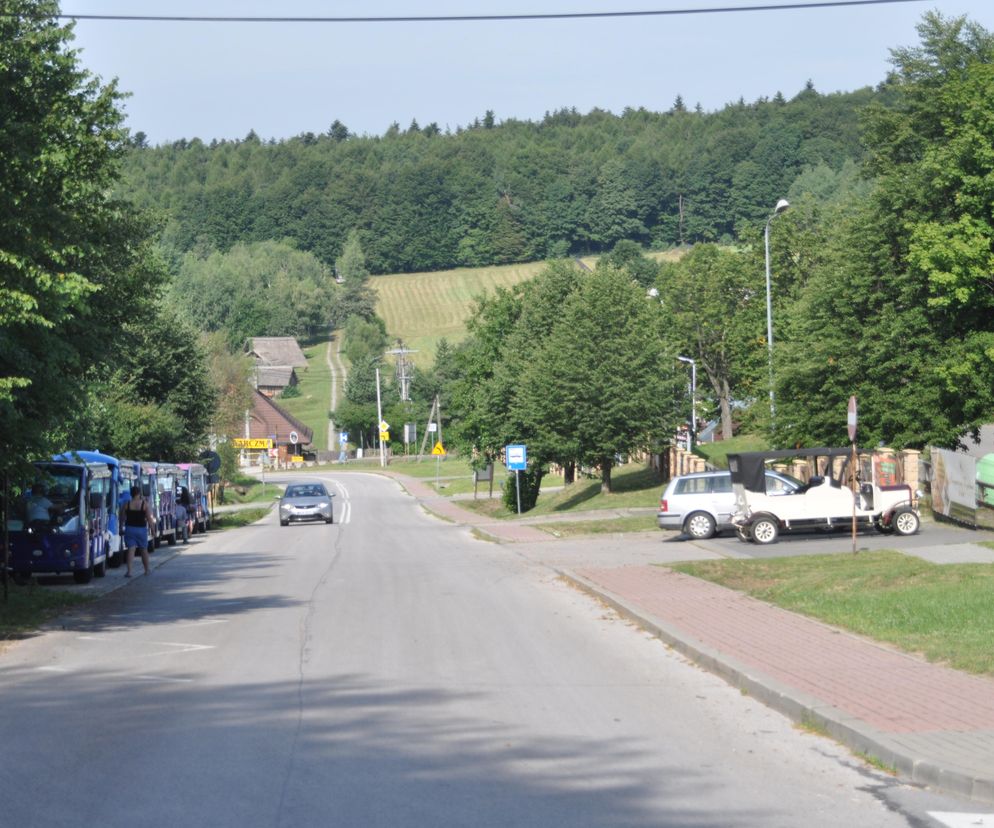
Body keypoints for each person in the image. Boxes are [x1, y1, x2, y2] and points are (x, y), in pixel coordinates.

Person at [120, 485, 155, 577]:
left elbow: (122, 518)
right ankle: (147, 570)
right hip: (141, 529)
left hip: (130, 529)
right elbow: (149, 519)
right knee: (144, 550)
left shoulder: (126, 504)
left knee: (131, 550)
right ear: (139, 493)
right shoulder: (144, 504)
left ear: (131, 494)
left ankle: (129, 571)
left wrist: (120, 528)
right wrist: (153, 530)